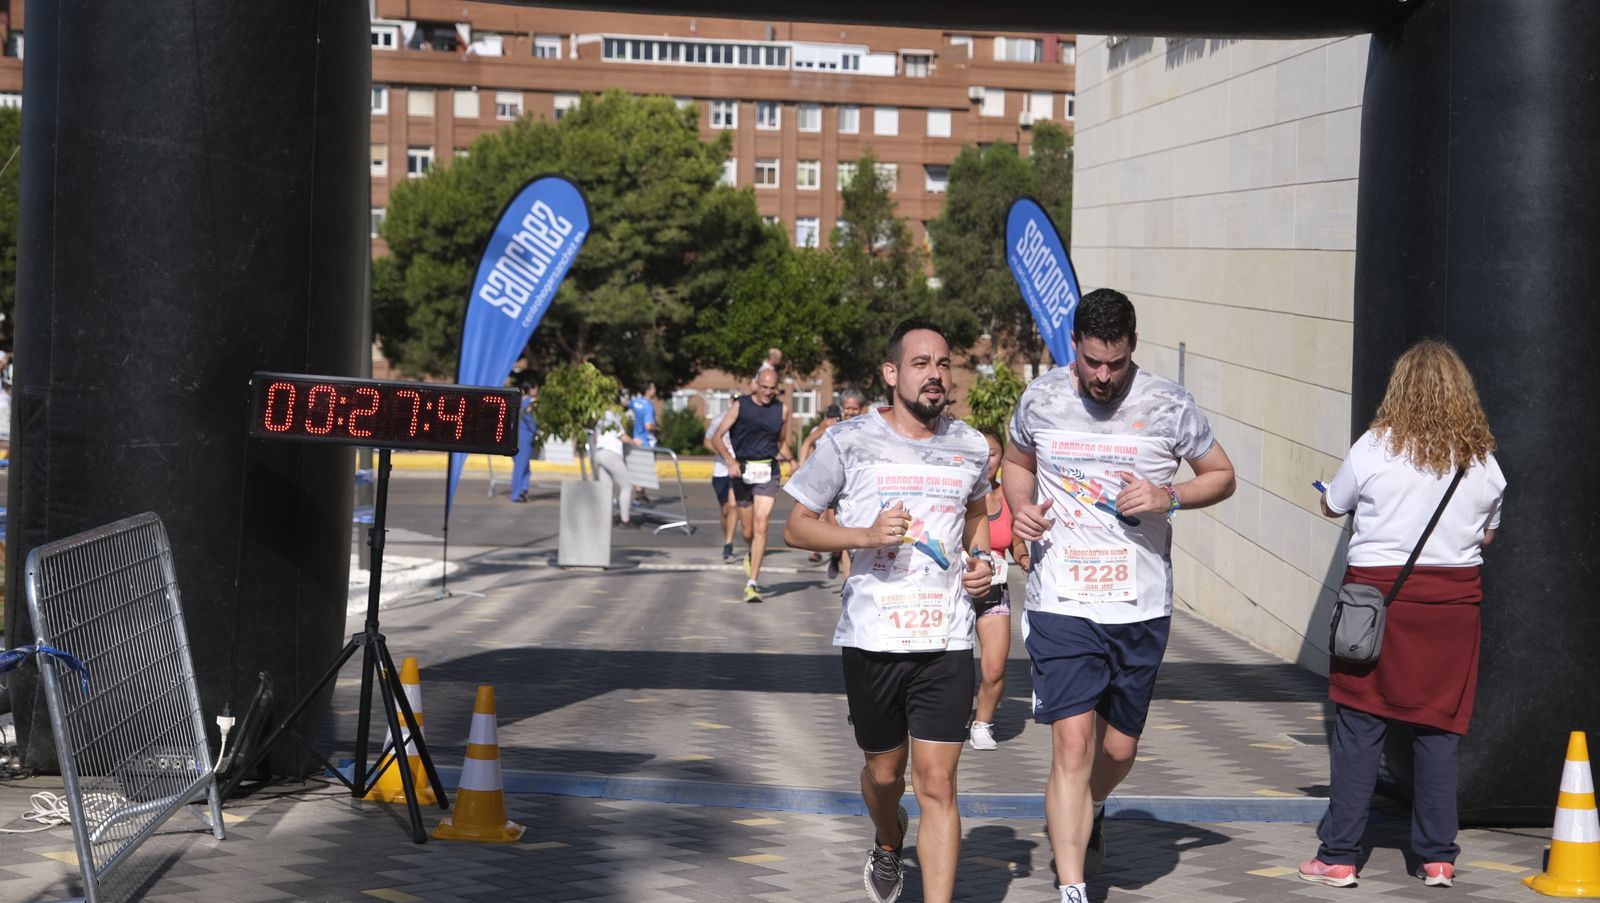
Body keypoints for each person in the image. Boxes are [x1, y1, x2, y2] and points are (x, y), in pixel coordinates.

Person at [1003, 288, 1236, 903]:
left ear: (1133, 347)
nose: (1103, 377)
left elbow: (1222, 475)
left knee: (1118, 747)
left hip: (1140, 603)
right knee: (1072, 742)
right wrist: (1020, 510)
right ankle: (1073, 886)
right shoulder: (1043, 397)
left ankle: (1095, 803)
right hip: (1062, 598)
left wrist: (1171, 496)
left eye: (1116, 363)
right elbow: (1016, 460)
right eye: (1092, 362)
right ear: (1074, 347)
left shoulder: (1168, 405)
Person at [783, 318, 995, 903]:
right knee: (883, 775)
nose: (935, 375)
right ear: (891, 373)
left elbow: (976, 517)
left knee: (937, 784)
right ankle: (886, 839)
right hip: (874, 637)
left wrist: (981, 560)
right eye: (921, 363)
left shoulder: (971, 445)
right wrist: (863, 533)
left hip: (945, 638)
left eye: (943, 364)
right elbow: (797, 529)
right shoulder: (848, 440)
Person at [1297, 339, 1505, 890]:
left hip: (1376, 604)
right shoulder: (1482, 461)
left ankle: (1339, 856)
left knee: (1360, 726)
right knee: (1438, 729)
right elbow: (1485, 533)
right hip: (1452, 609)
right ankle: (1437, 857)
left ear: (1400, 389)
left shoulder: (1373, 447)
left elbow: (1334, 503)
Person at [967, 426, 1029, 751]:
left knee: (995, 664)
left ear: (1001, 457)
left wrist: (1024, 557)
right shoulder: (958, 496)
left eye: (991, 454)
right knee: (954, 669)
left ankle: (982, 724)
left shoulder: (1007, 496)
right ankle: (954, 713)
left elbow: (1017, 540)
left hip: (994, 590)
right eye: (978, 454)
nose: (985, 461)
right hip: (957, 591)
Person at [712, 367, 791, 602]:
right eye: (764, 387)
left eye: (772, 388)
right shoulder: (741, 406)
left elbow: (781, 442)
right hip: (743, 471)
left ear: (777, 387)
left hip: (768, 471)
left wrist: (794, 460)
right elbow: (716, 437)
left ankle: (752, 583)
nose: (768, 393)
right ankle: (751, 551)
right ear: (756, 384)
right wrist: (730, 461)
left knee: (761, 525)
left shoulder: (782, 410)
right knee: (747, 531)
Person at [825, 388, 868, 580]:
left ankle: (847, 583)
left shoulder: (868, 430)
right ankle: (834, 557)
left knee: (848, 535)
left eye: (854, 409)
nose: (850, 412)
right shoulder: (834, 431)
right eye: (847, 408)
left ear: (861, 409)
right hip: (834, 488)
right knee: (837, 537)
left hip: (855, 489)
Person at [591, 406, 641, 527]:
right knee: (626, 486)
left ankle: (604, 519)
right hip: (611, 454)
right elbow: (622, 437)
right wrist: (635, 442)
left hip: (598, 453)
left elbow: (595, 438)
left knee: (606, 489)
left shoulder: (600, 419)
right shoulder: (613, 418)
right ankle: (625, 520)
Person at [704, 410, 739, 560]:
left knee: (733, 505)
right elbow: (707, 442)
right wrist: (724, 453)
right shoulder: (719, 419)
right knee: (725, 509)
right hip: (721, 469)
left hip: (738, 468)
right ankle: (727, 537)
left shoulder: (746, 419)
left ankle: (728, 543)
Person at [510, 382, 539, 503]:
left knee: (524, 466)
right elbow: (530, 420)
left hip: (515, 436)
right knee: (521, 466)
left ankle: (523, 489)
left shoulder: (517, 401)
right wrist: (536, 431)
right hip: (525, 436)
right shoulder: (530, 403)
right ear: (531, 389)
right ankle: (517, 494)